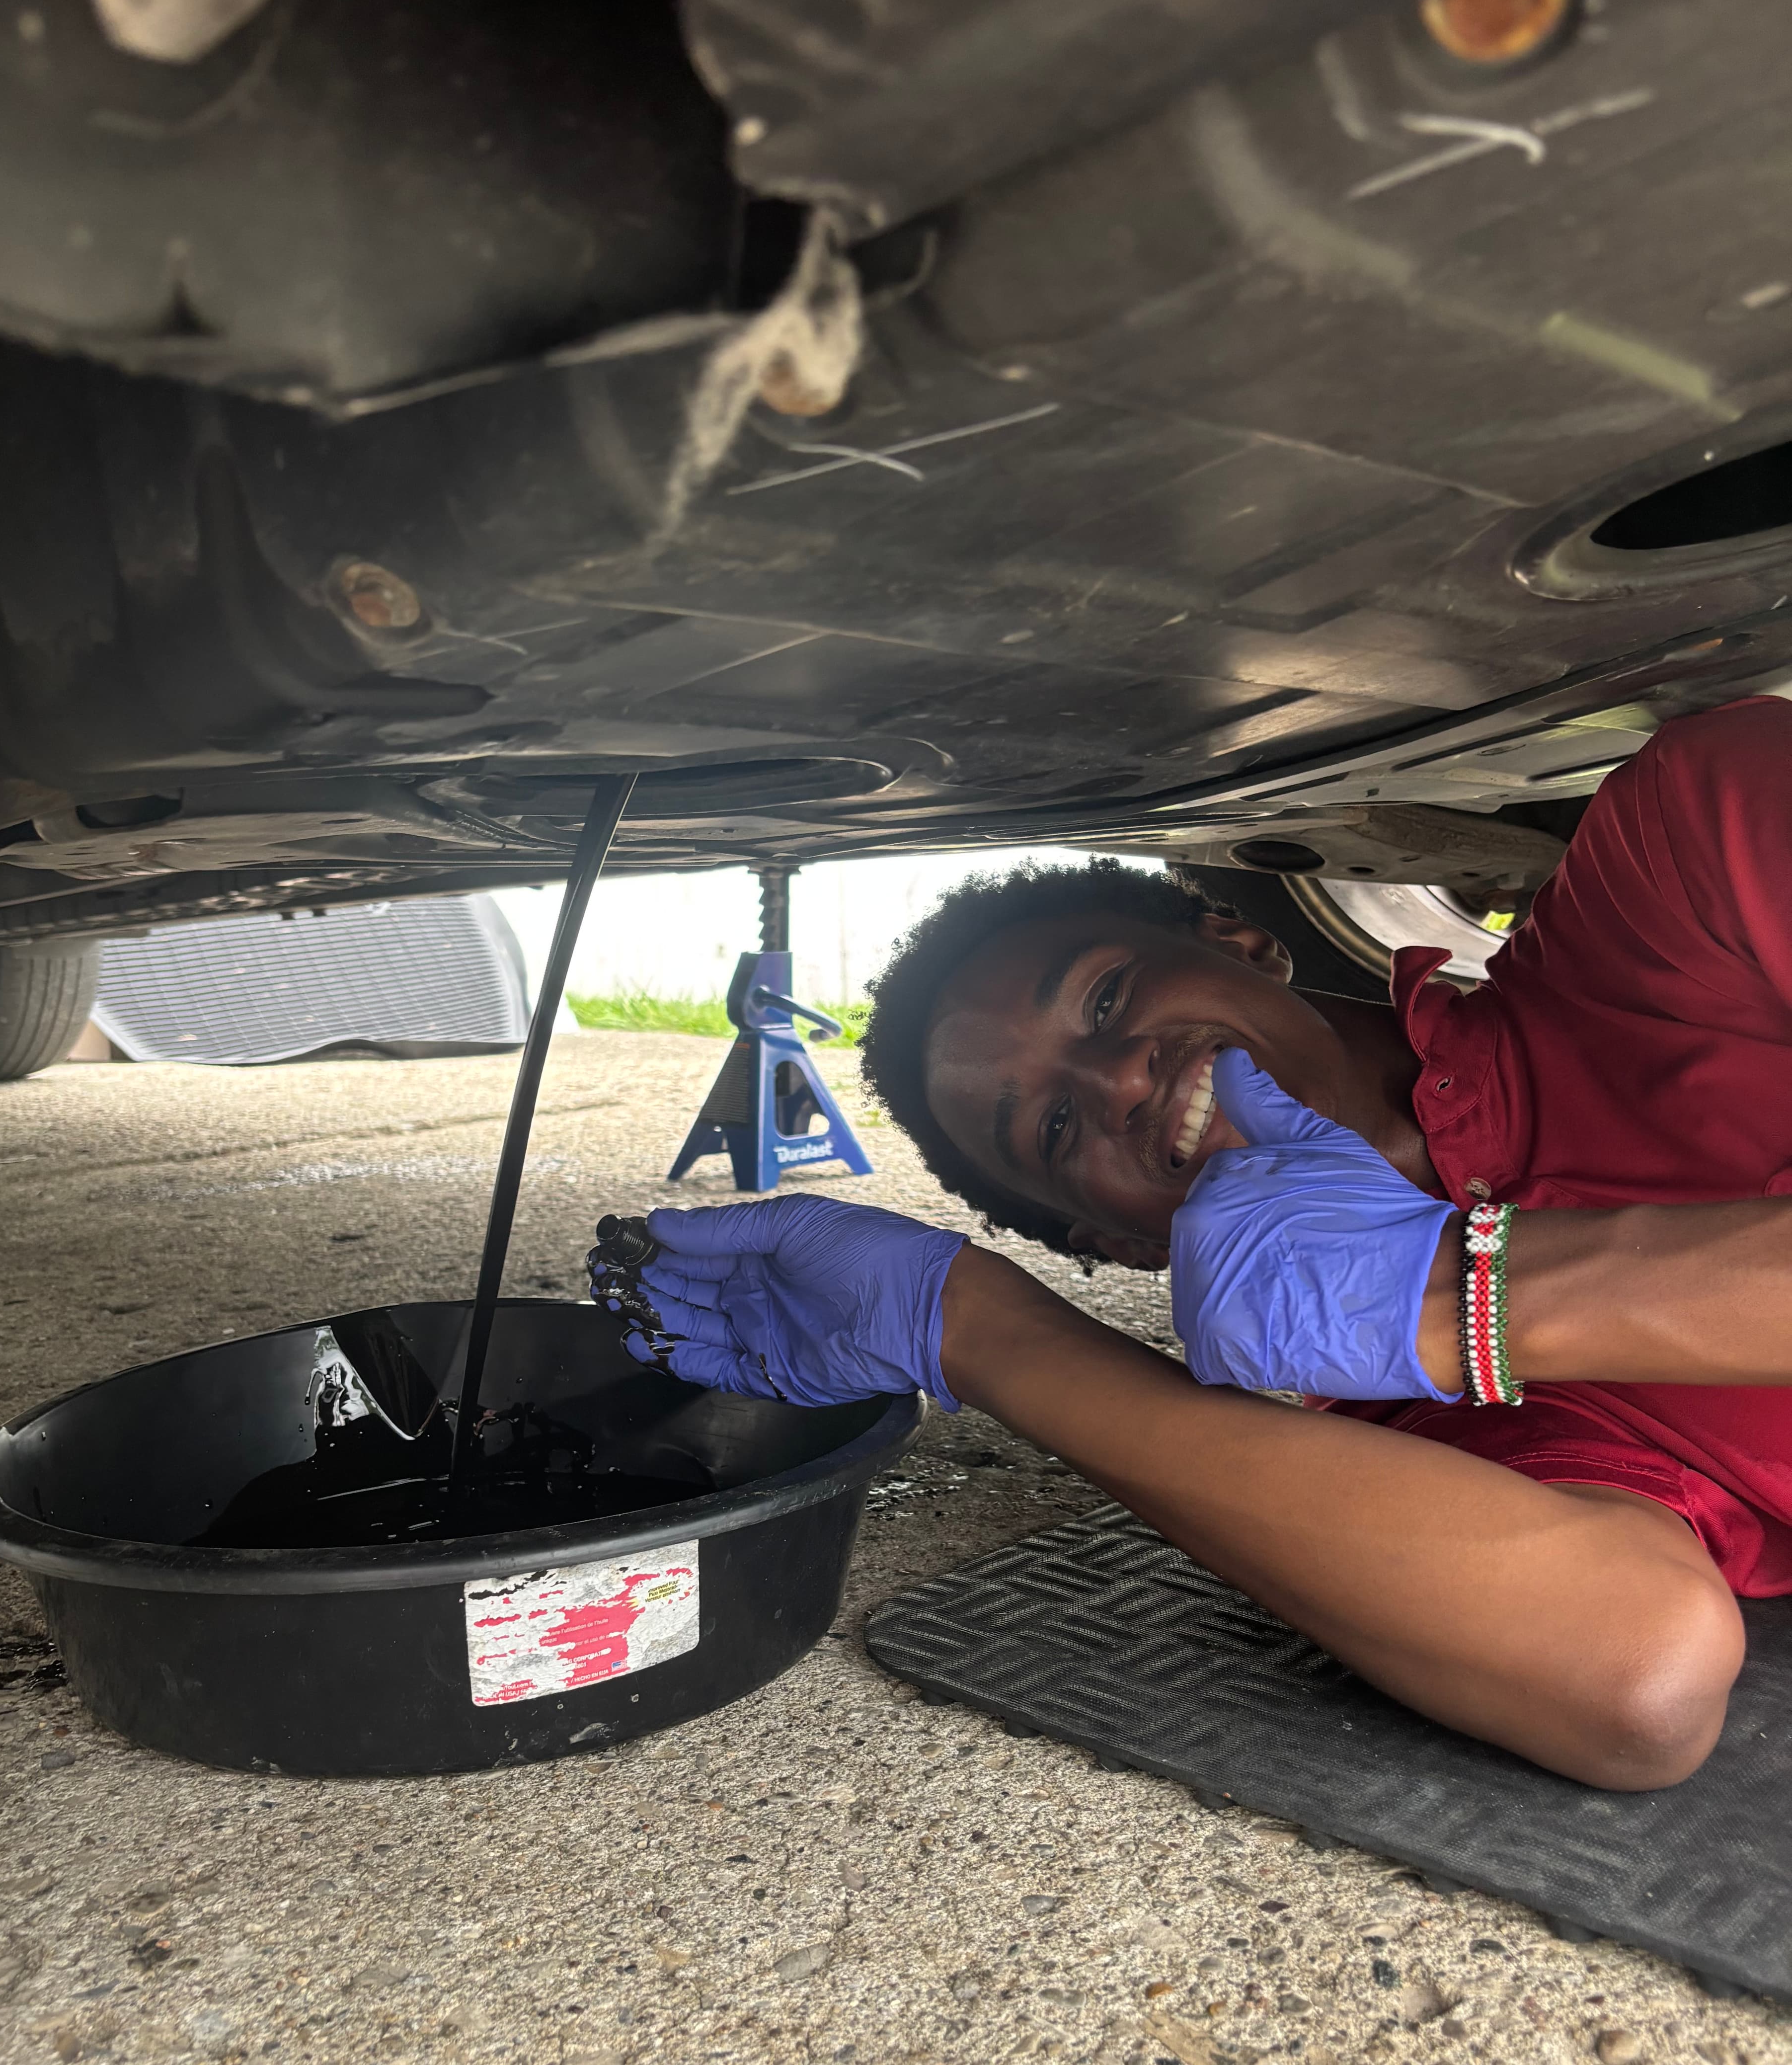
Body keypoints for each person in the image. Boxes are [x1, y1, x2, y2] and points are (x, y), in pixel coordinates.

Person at [593, 697, 1792, 1791]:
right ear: (1116, 1246)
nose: (1118, 1078)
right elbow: (1640, 1678)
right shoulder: (1442, 1438)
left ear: (1246, 942)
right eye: (1055, 1128)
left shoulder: (1679, 879)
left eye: (1107, 998)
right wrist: (981, 1330)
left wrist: (1457, 1298)